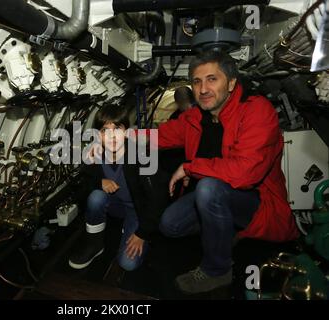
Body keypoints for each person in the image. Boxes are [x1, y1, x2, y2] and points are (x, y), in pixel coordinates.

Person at [156, 51, 299, 294]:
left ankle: (217, 270)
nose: (203, 89)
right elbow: (161, 135)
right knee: (170, 225)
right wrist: (121, 136)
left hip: (255, 202)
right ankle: (223, 229)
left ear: (231, 83)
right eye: (197, 81)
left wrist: (190, 167)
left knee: (209, 188)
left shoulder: (256, 110)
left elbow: (245, 173)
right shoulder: (195, 117)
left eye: (212, 79)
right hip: (217, 196)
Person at [69, 104, 168, 271]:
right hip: (114, 204)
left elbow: (158, 199)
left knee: (128, 264)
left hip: (136, 209)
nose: (112, 136)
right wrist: (99, 182)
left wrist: (142, 234)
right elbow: (79, 188)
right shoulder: (93, 154)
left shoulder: (142, 155)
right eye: (104, 131)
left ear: (127, 132)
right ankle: (94, 244)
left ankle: (132, 230)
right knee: (95, 197)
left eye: (117, 129)